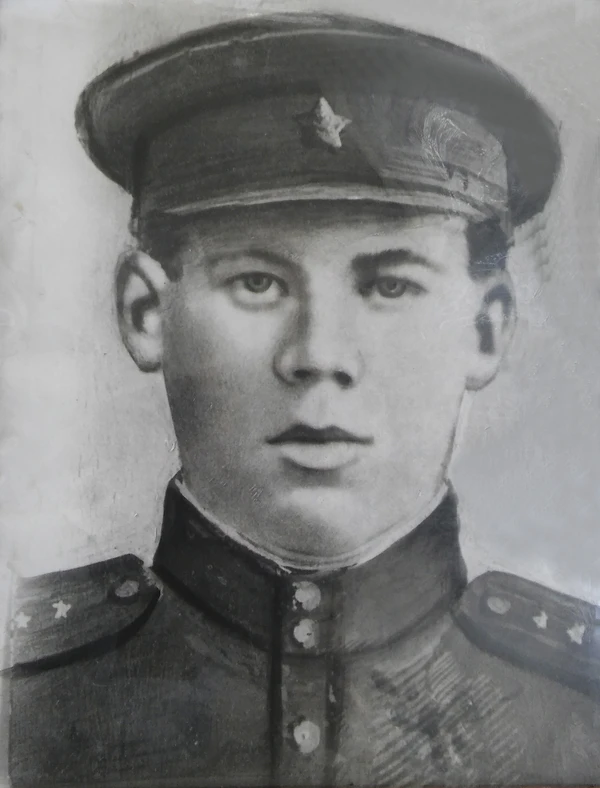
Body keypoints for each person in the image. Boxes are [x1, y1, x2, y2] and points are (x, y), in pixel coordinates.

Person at [5, 12, 600, 787]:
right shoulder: (24, 697)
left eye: (390, 286)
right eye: (257, 282)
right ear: (146, 313)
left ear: (486, 330)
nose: (319, 355)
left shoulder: (581, 709)